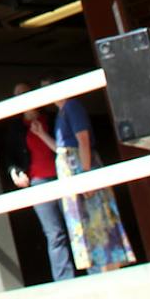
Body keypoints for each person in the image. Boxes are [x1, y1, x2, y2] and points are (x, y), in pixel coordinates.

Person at [53, 95, 135, 274]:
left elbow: (83, 139)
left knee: (99, 219)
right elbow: (61, 148)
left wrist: (86, 175)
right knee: (86, 222)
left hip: (81, 167)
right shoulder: (60, 113)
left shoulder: (73, 106)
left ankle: (111, 270)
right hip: (72, 169)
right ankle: (102, 271)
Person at [3, 83, 73, 283]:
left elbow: (66, 146)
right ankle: (65, 281)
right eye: (18, 95)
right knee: (54, 233)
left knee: (75, 226)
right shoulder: (16, 129)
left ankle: (93, 271)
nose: (22, 98)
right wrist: (15, 172)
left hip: (62, 176)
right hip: (39, 183)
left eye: (25, 93)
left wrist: (43, 132)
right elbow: (10, 158)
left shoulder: (51, 118)